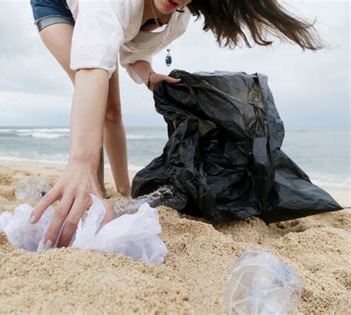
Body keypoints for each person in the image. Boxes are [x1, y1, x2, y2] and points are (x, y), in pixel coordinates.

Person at [28, 0, 323, 249]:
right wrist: (80, 162)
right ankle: (90, 188)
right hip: (59, 6)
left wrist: (150, 75)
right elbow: (92, 66)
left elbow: (131, 52)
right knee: (98, 99)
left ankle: (122, 190)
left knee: (112, 112)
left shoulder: (177, 19)